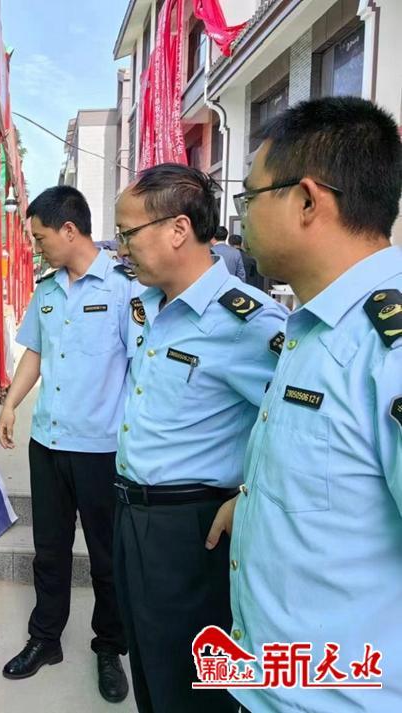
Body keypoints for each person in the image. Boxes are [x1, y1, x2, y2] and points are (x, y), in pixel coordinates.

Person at [208, 96, 402, 712]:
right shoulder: (314, 325)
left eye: (249, 198)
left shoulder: (387, 346)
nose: (240, 219)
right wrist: (256, 503)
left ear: (308, 201)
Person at [113, 163, 286, 713]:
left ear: (178, 229)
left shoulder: (248, 323)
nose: (122, 248)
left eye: (128, 233)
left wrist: (250, 494)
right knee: (149, 669)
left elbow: (296, 425)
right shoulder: (148, 306)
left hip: (192, 531)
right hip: (132, 516)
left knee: (189, 688)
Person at [0, 185, 131, 703]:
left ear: (69, 230)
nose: (37, 246)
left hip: (101, 449)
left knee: (106, 558)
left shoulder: (124, 289)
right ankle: (45, 639)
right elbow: (35, 352)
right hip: (48, 443)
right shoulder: (48, 291)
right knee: (49, 550)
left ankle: (109, 648)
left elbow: (141, 368)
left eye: (40, 237)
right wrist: (11, 403)